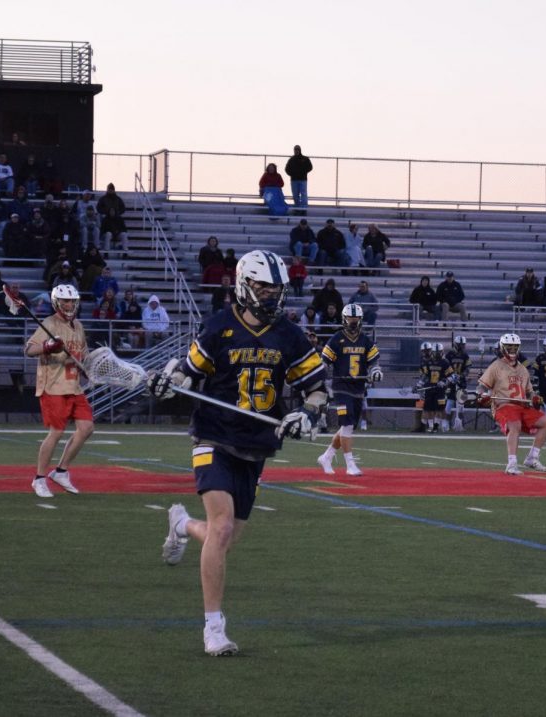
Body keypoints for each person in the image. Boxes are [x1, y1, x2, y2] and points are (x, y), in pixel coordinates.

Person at [147, 249, 328, 656]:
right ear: (245, 285)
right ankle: (214, 627)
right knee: (223, 526)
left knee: (223, 536)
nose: (270, 296)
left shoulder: (289, 335)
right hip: (213, 435)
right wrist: (166, 380)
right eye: (263, 287)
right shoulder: (218, 328)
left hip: (257, 444)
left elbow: (317, 388)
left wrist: (307, 413)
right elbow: (186, 373)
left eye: (275, 289)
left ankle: (180, 525)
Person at [24, 284, 91, 498]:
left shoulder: (78, 325)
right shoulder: (49, 323)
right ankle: (39, 478)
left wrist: (88, 367)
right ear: (57, 303)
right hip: (53, 386)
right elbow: (29, 349)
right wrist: (47, 347)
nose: (69, 305)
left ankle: (61, 471)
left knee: (87, 428)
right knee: (57, 432)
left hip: (73, 385)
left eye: (72, 301)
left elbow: (83, 354)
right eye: (65, 301)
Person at [317, 304, 382, 475]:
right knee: (346, 424)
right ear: (344, 319)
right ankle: (350, 465)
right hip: (341, 387)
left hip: (358, 388)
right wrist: (320, 376)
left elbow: (374, 363)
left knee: (348, 426)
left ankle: (327, 456)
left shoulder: (365, 339)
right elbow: (324, 362)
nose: (353, 322)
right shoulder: (336, 338)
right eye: (351, 319)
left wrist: (376, 372)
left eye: (356, 319)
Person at [476, 333, 546, 474]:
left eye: (515, 346)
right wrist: (483, 394)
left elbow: (530, 392)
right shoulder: (496, 366)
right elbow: (481, 386)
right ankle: (511, 464)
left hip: (522, 406)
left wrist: (535, 398)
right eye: (509, 346)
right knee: (515, 424)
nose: (512, 349)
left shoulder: (523, 369)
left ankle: (532, 458)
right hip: (503, 405)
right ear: (502, 347)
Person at [416, 341, 453, 433]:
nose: (437, 354)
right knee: (428, 408)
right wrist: (419, 384)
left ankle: (436, 426)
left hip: (440, 389)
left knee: (439, 409)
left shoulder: (445, 362)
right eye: (436, 352)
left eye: (439, 352)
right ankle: (430, 426)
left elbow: (452, 376)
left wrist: (444, 381)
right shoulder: (428, 362)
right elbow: (425, 376)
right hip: (430, 388)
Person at [444, 336, 472, 432]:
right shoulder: (449, 355)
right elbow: (445, 367)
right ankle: (446, 424)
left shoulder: (465, 355)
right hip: (451, 382)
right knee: (449, 403)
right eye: (460, 344)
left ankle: (459, 424)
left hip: (461, 382)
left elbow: (468, 369)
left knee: (461, 405)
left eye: (462, 345)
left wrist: (461, 376)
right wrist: (451, 376)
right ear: (456, 344)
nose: (461, 346)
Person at [284, 145, 313, 209]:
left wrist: (303, 172)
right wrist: (292, 174)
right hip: (294, 180)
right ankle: (297, 209)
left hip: (303, 180)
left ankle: (304, 209)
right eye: (295, 150)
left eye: (298, 149)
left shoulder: (305, 159)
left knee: (304, 195)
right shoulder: (291, 159)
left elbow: (310, 167)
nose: (296, 151)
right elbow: (286, 169)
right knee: (295, 195)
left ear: (300, 150)